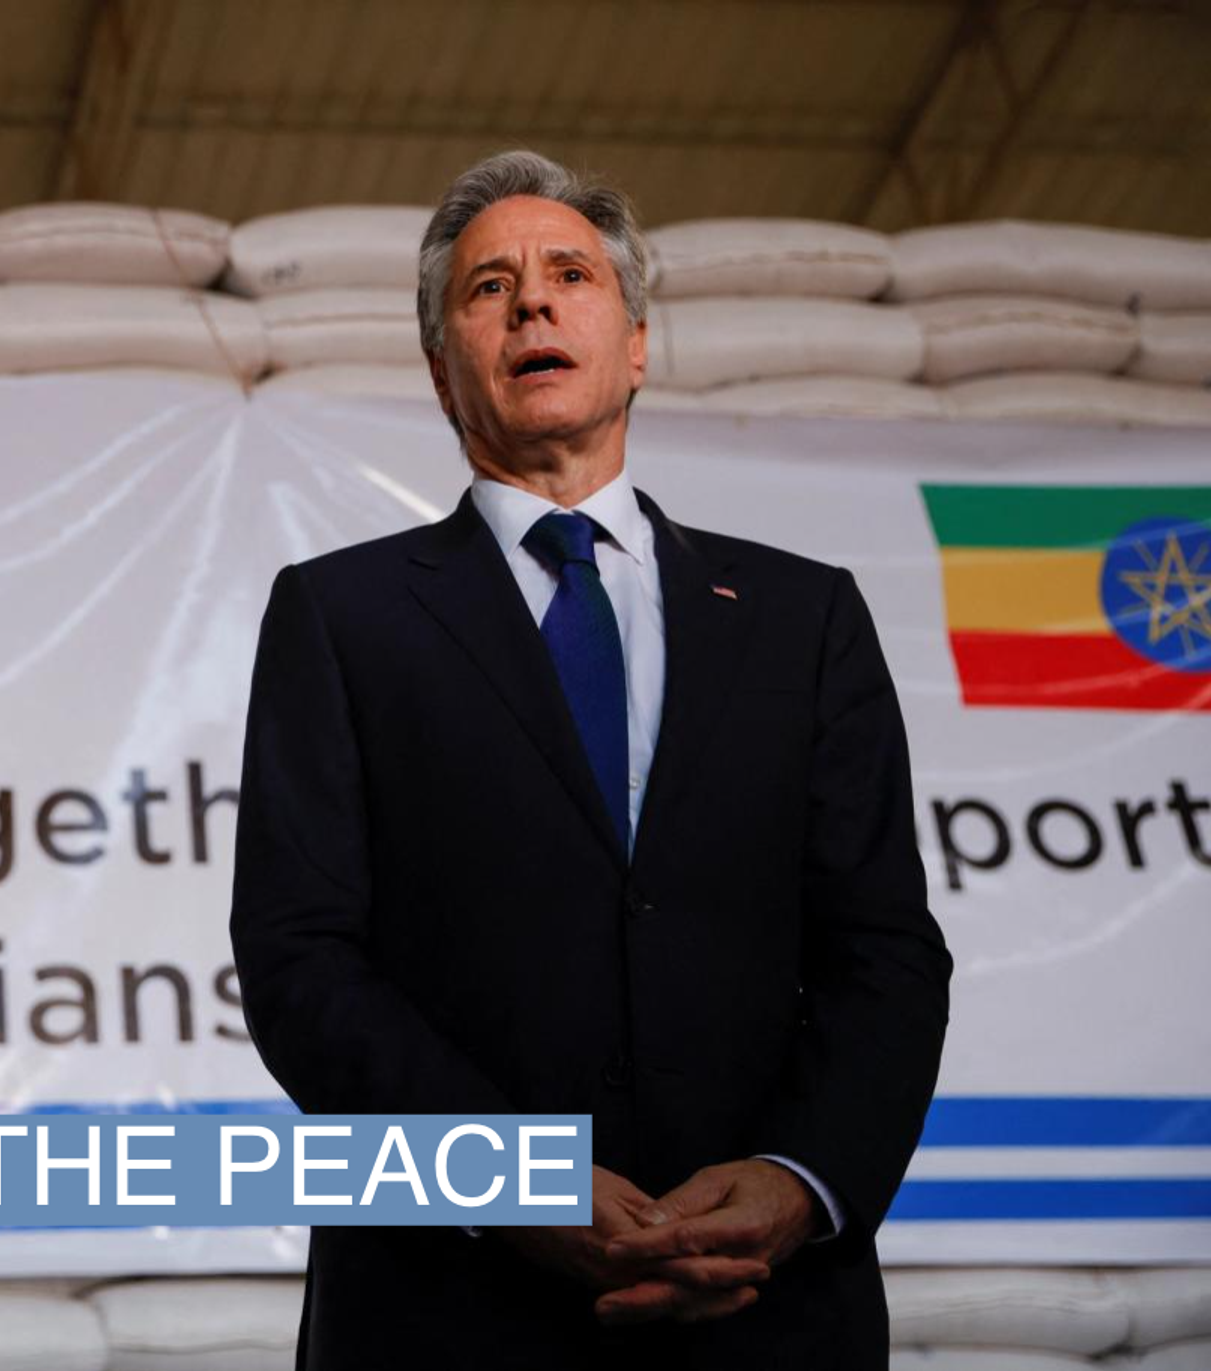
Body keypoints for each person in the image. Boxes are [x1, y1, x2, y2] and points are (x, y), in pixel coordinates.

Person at [228, 149, 953, 1367]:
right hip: (448, 1309)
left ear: (635, 344)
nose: (532, 303)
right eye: (487, 288)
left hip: (766, 1310)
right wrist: (513, 1181)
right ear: (444, 372)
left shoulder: (800, 614)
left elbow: (881, 948)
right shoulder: (340, 617)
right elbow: (300, 961)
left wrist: (796, 1183)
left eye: (570, 274)